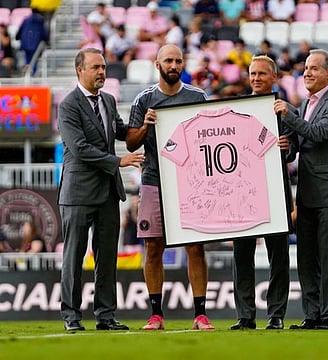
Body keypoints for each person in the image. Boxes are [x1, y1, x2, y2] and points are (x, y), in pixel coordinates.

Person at [126, 44, 215, 331]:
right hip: (154, 180)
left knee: (195, 246)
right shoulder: (144, 99)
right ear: (157, 64)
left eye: (178, 60)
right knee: (153, 247)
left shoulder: (197, 96)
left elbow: (209, 136)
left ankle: (200, 315)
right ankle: (156, 315)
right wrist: (146, 126)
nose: (174, 65)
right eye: (169, 60)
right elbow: (130, 143)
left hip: (191, 183)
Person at [57, 48, 145, 332]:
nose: (102, 72)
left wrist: (147, 125)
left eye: (104, 67)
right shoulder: (68, 105)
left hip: (107, 192)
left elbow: (121, 131)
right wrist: (119, 161)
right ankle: (71, 316)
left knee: (106, 257)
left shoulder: (108, 100)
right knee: (74, 257)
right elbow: (79, 149)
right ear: (79, 70)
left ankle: (105, 316)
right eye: (96, 67)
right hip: (78, 193)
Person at [273, 49, 328, 330]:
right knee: (306, 258)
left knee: (327, 257)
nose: (307, 72)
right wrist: (287, 148)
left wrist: (290, 116)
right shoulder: (307, 104)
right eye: (306, 68)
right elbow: (302, 144)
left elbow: (318, 133)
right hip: (308, 192)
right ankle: (312, 315)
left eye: (314, 68)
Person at [230, 55, 297, 331]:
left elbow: (297, 146)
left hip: (275, 191)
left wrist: (287, 147)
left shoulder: (285, 110)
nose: (256, 78)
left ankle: (276, 314)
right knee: (241, 255)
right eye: (252, 74)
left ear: (274, 77)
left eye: (261, 74)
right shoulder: (236, 109)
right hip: (242, 192)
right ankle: (245, 316)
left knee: (278, 256)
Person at [15, 7, 49, 75]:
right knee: (34, 60)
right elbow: (43, 32)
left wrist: (17, 37)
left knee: (28, 60)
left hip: (25, 43)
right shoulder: (40, 20)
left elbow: (20, 30)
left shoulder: (26, 19)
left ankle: (28, 74)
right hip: (35, 44)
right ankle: (32, 75)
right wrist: (46, 40)